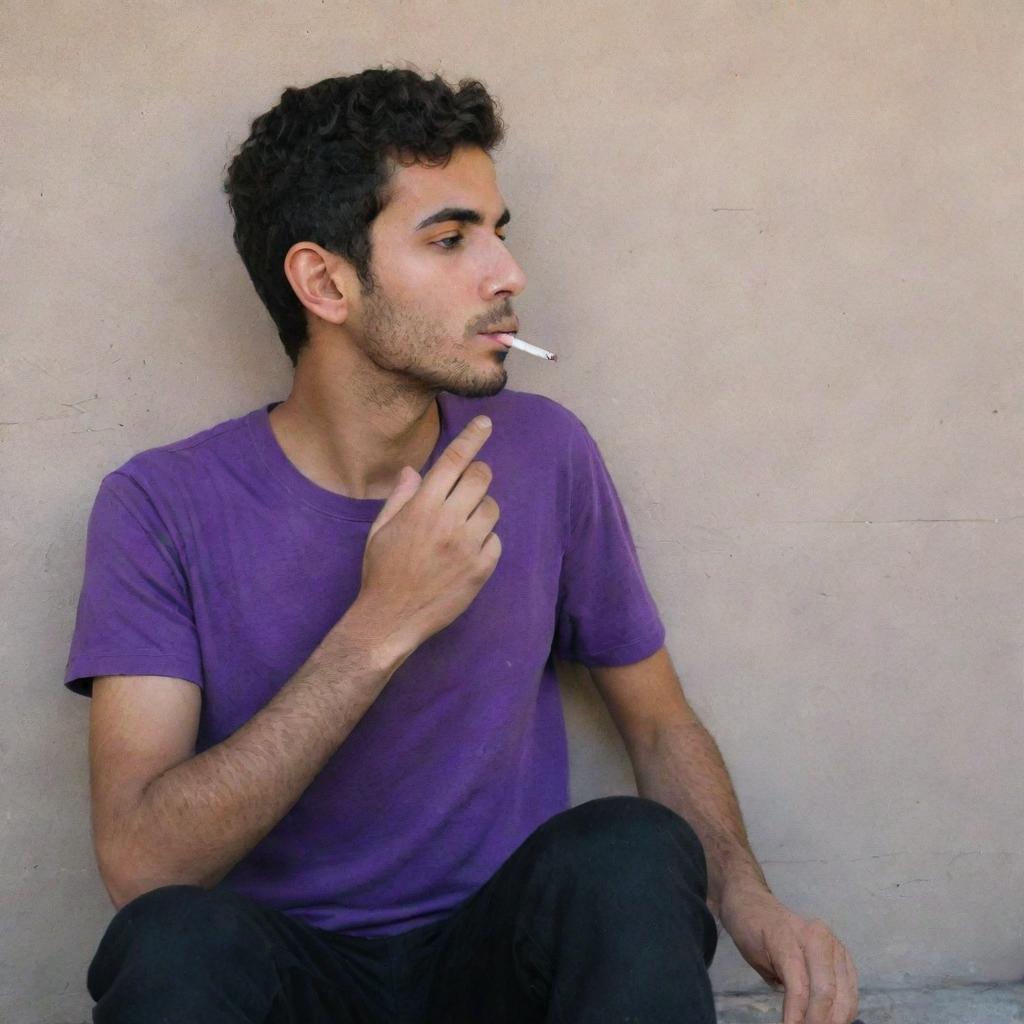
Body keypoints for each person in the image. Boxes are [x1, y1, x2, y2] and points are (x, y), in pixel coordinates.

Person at [64, 66, 859, 1024]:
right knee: (173, 944)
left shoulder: (545, 454)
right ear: (325, 281)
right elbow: (143, 866)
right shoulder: (160, 504)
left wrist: (746, 897)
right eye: (450, 239)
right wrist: (379, 626)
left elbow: (657, 723)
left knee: (629, 851)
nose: (507, 273)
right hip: (293, 984)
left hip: (499, 968)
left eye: (499, 231)